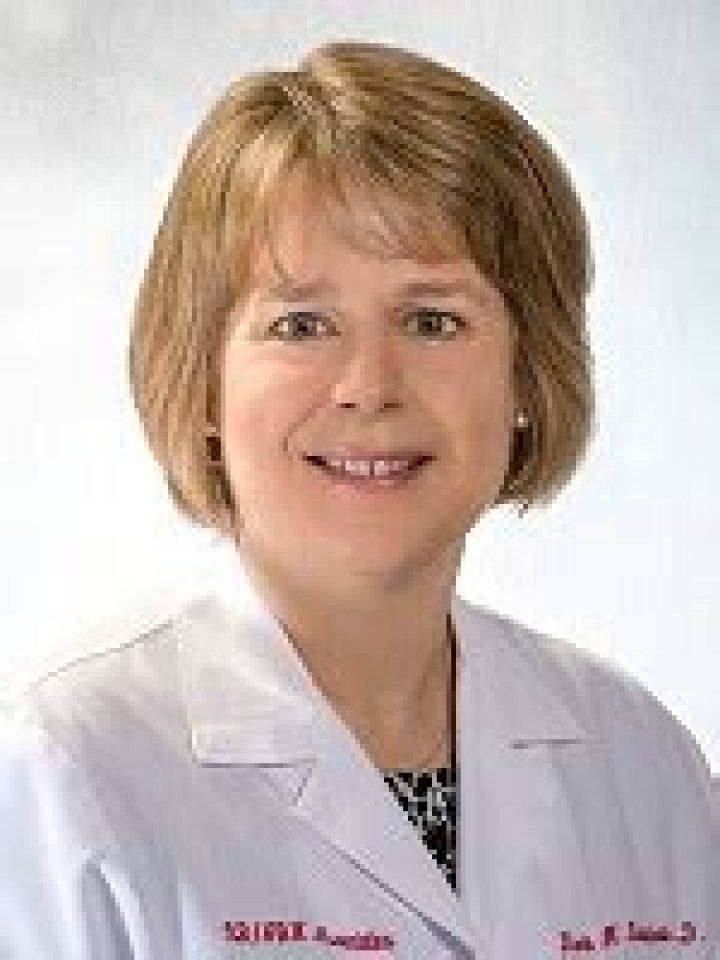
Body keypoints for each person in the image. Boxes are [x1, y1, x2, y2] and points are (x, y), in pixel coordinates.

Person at [1, 38, 717, 959]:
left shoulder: (643, 763)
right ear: (205, 383)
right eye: (301, 324)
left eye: (433, 320)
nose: (368, 386)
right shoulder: (69, 771)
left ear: (528, 376)